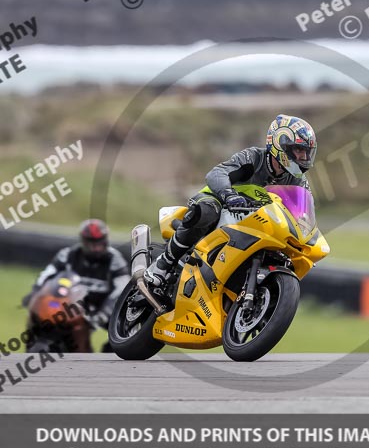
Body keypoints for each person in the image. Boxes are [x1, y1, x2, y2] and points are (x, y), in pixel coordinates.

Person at [144, 114, 317, 290]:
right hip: (221, 201)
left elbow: (303, 212)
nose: (303, 156)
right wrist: (229, 194)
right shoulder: (253, 157)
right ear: (281, 144)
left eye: (306, 152)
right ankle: (162, 265)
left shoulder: (298, 180)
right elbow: (216, 174)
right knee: (208, 211)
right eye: (298, 150)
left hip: (256, 222)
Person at [24, 219, 129, 348]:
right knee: (41, 317)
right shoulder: (67, 255)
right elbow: (46, 275)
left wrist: (104, 313)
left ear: (105, 240)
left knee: (123, 331)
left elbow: (122, 289)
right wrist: (35, 293)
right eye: (91, 243)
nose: (95, 247)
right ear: (83, 241)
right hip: (72, 305)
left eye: (99, 242)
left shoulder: (115, 260)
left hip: (103, 305)